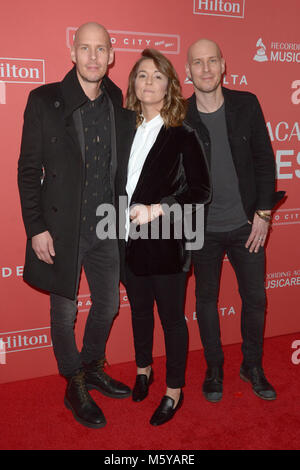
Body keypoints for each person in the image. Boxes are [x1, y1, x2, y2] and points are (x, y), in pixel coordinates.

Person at [18, 22, 136, 429]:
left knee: (108, 305)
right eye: (85, 48)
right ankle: (73, 382)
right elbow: (28, 169)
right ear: (72, 52)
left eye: (100, 49)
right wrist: (35, 227)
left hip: (106, 225)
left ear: (111, 56)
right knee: (64, 310)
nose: (92, 57)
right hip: (61, 228)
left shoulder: (118, 99)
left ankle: (90, 366)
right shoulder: (44, 99)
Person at [185, 38, 285, 403]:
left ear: (224, 64)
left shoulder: (247, 104)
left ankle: (252, 365)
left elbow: (264, 160)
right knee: (206, 301)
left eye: (212, 60)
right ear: (188, 71)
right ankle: (214, 368)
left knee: (255, 299)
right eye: (198, 62)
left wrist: (263, 214)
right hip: (203, 229)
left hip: (247, 225)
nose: (206, 69)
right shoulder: (180, 116)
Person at [115, 48, 210, 426]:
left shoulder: (183, 134)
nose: (149, 82)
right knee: (139, 312)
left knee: (171, 318)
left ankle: (173, 390)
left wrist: (158, 208)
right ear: (133, 84)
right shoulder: (124, 131)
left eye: (157, 76)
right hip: (124, 240)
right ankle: (143, 370)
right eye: (142, 75)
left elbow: (201, 191)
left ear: (169, 84)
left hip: (167, 243)